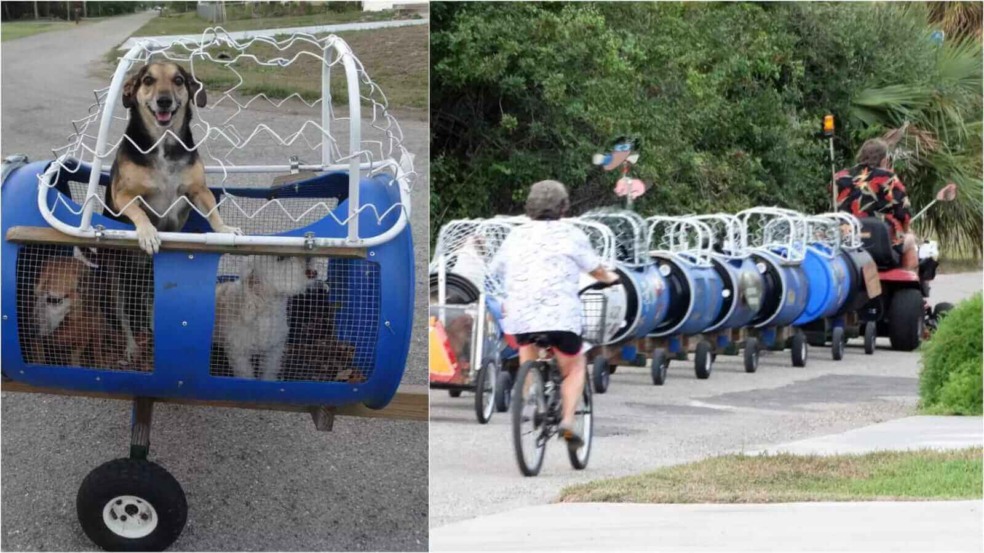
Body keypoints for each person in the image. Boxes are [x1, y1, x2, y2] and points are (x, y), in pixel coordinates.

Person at [490, 180, 619, 446]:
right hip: (561, 317)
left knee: (526, 343)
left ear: (529, 207)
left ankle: (532, 392)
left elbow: (495, 270)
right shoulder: (571, 235)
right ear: (564, 207)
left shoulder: (516, 235)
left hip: (520, 315)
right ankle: (567, 422)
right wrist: (610, 278)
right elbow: (595, 269)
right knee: (575, 367)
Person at [835, 138, 916, 269]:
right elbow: (904, 214)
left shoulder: (840, 177)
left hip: (847, 244)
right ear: (884, 160)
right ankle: (908, 277)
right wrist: (907, 231)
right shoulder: (888, 178)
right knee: (910, 239)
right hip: (882, 247)